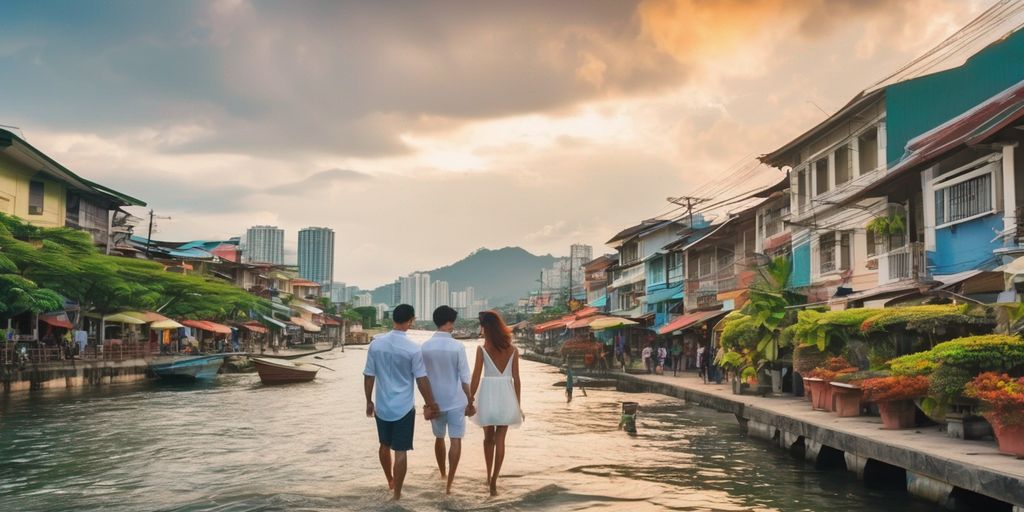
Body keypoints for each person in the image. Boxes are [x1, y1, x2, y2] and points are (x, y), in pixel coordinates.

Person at [364, 304, 439, 501]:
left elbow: (369, 376)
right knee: (401, 451)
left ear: (393, 319)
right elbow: (421, 380)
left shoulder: (376, 344)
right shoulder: (413, 349)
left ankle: (389, 479)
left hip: (382, 406)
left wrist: (368, 401)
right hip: (404, 407)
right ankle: (397, 494)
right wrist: (431, 403)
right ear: (411, 320)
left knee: (383, 445)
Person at [420, 306, 474, 495]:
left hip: (435, 400)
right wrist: (470, 400)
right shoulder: (457, 346)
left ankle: (442, 474)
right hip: (456, 400)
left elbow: (422, 377)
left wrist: (427, 401)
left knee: (439, 437)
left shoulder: (425, 347)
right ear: (450, 322)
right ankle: (449, 484)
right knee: (456, 439)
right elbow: (465, 378)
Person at [469, 310, 523, 496]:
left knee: (488, 439)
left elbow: (475, 377)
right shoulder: (512, 349)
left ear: (486, 328)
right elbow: (517, 379)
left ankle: (487, 474)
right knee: (501, 440)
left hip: (488, 396)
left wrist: (470, 399)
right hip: (506, 396)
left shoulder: (482, 349)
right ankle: (494, 480)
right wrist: (518, 405)